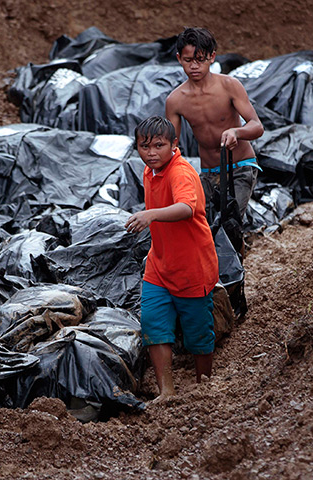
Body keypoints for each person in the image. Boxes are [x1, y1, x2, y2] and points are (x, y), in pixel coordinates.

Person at [125, 116, 219, 402]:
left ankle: (204, 385)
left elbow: (186, 208)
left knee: (198, 335)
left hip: (192, 267)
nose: (151, 152)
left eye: (158, 145)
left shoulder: (180, 172)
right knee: (154, 325)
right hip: (159, 264)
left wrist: (150, 214)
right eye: (144, 146)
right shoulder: (148, 171)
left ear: (174, 145)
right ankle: (167, 391)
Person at [166, 26, 264, 222]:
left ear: (212, 57)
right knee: (205, 224)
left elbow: (257, 126)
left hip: (240, 166)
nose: (194, 66)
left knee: (230, 221)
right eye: (188, 61)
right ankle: (236, 250)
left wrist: (236, 132)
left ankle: (235, 249)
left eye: (200, 60)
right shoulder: (175, 100)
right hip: (209, 172)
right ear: (179, 59)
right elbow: (171, 146)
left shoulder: (229, 86)